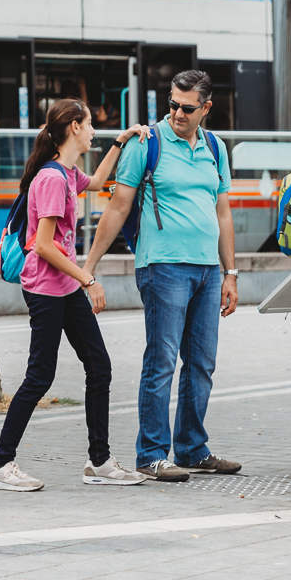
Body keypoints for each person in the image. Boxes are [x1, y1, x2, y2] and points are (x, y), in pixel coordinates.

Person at [84, 69, 244, 483]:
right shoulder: (147, 143)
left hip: (208, 270)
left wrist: (231, 272)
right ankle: (151, 453)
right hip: (163, 267)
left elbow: (223, 213)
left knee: (201, 364)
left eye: (186, 108)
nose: (176, 113)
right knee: (161, 363)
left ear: (205, 108)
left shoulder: (214, 146)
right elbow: (118, 208)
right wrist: (88, 267)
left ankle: (191, 448)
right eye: (172, 104)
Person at [0, 99, 151, 491]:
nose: (94, 129)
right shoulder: (53, 179)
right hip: (47, 290)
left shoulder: (66, 171)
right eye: (91, 124)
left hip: (64, 287)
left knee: (99, 366)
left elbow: (95, 183)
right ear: (75, 127)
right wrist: (88, 279)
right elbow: (42, 245)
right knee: (39, 376)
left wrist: (120, 142)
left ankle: (100, 462)